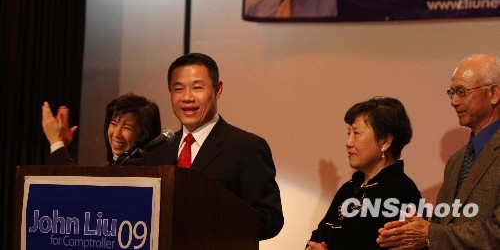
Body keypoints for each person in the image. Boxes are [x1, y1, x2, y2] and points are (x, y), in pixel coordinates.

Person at [134, 53, 284, 240]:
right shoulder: (157, 151)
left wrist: (209, 215)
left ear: (217, 89)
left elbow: (270, 220)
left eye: (197, 88)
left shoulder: (247, 148)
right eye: (178, 89)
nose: (187, 97)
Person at [377, 53, 500, 250]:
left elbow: (496, 232)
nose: (454, 101)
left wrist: (429, 234)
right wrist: (409, 236)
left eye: (462, 91)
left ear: (493, 93)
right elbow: (443, 227)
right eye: (452, 93)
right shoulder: (456, 161)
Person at [307, 97, 421, 250]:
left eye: (357, 133)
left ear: (385, 141)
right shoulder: (348, 188)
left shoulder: (402, 191)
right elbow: (317, 236)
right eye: (348, 134)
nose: (348, 142)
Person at [42, 93, 162, 165]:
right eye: (113, 123)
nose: (117, 134)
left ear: (144, 134)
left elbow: (77, 189)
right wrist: (61, 144)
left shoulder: (143, 174)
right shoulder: (111, 168)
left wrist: (56, 142)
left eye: (127, 127)